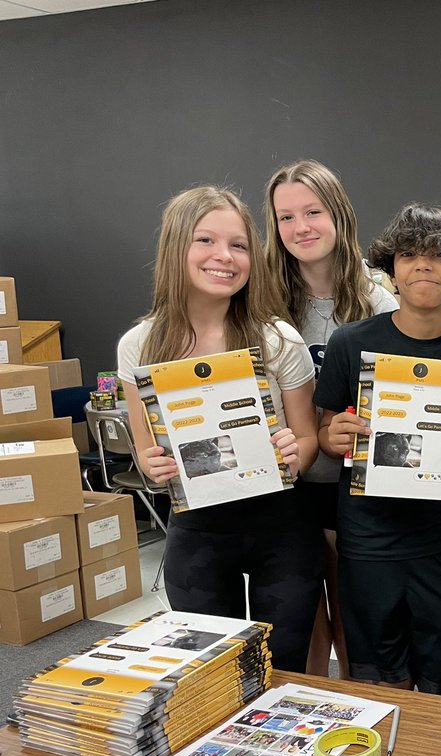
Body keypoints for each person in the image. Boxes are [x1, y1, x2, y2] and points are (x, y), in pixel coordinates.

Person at [118, 186, 322, 673]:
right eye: (205, 240)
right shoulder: (141, 345)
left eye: (239, 245)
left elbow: (309, 440)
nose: (224, 257)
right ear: (175, 248)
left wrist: (298, 452)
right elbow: (148, 458)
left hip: (283, 527)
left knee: (283, 668)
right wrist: (150, 463)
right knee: (213, 673)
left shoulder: (278, 339)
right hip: (198, 529)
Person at [312, 202, 441, 696]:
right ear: (391, 270)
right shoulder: (350, 344)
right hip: (368, 542)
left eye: (439, 255)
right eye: (409, 254)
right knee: (378, 679)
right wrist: (332, 438)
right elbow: (328, 432)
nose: (423, 264)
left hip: (440, 543)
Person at [264, 159, 398, 677]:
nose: (301, 227)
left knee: (352, 619)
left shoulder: (378, 301)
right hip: (288, 482)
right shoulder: (262, 302)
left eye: (313, 211)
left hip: (354, 483)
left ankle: (352, 717)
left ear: (339, 214)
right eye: (286, 216)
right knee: (301, 624)